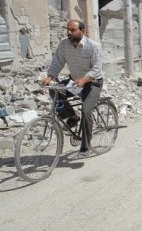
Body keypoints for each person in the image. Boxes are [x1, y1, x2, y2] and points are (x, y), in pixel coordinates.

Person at [41, 20, 103, 157]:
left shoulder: (93, 46)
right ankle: (72, 116)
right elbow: (58, 61)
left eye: (72, 30)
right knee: (55, 91)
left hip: (93, 83)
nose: (69, 33)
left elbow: (97, 68)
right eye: (67, 30)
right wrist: (50, 77)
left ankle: (86, 147)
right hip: (75, 81)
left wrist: (85, 79)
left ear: (82, 31)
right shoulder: (64, 44)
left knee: (86, 112)